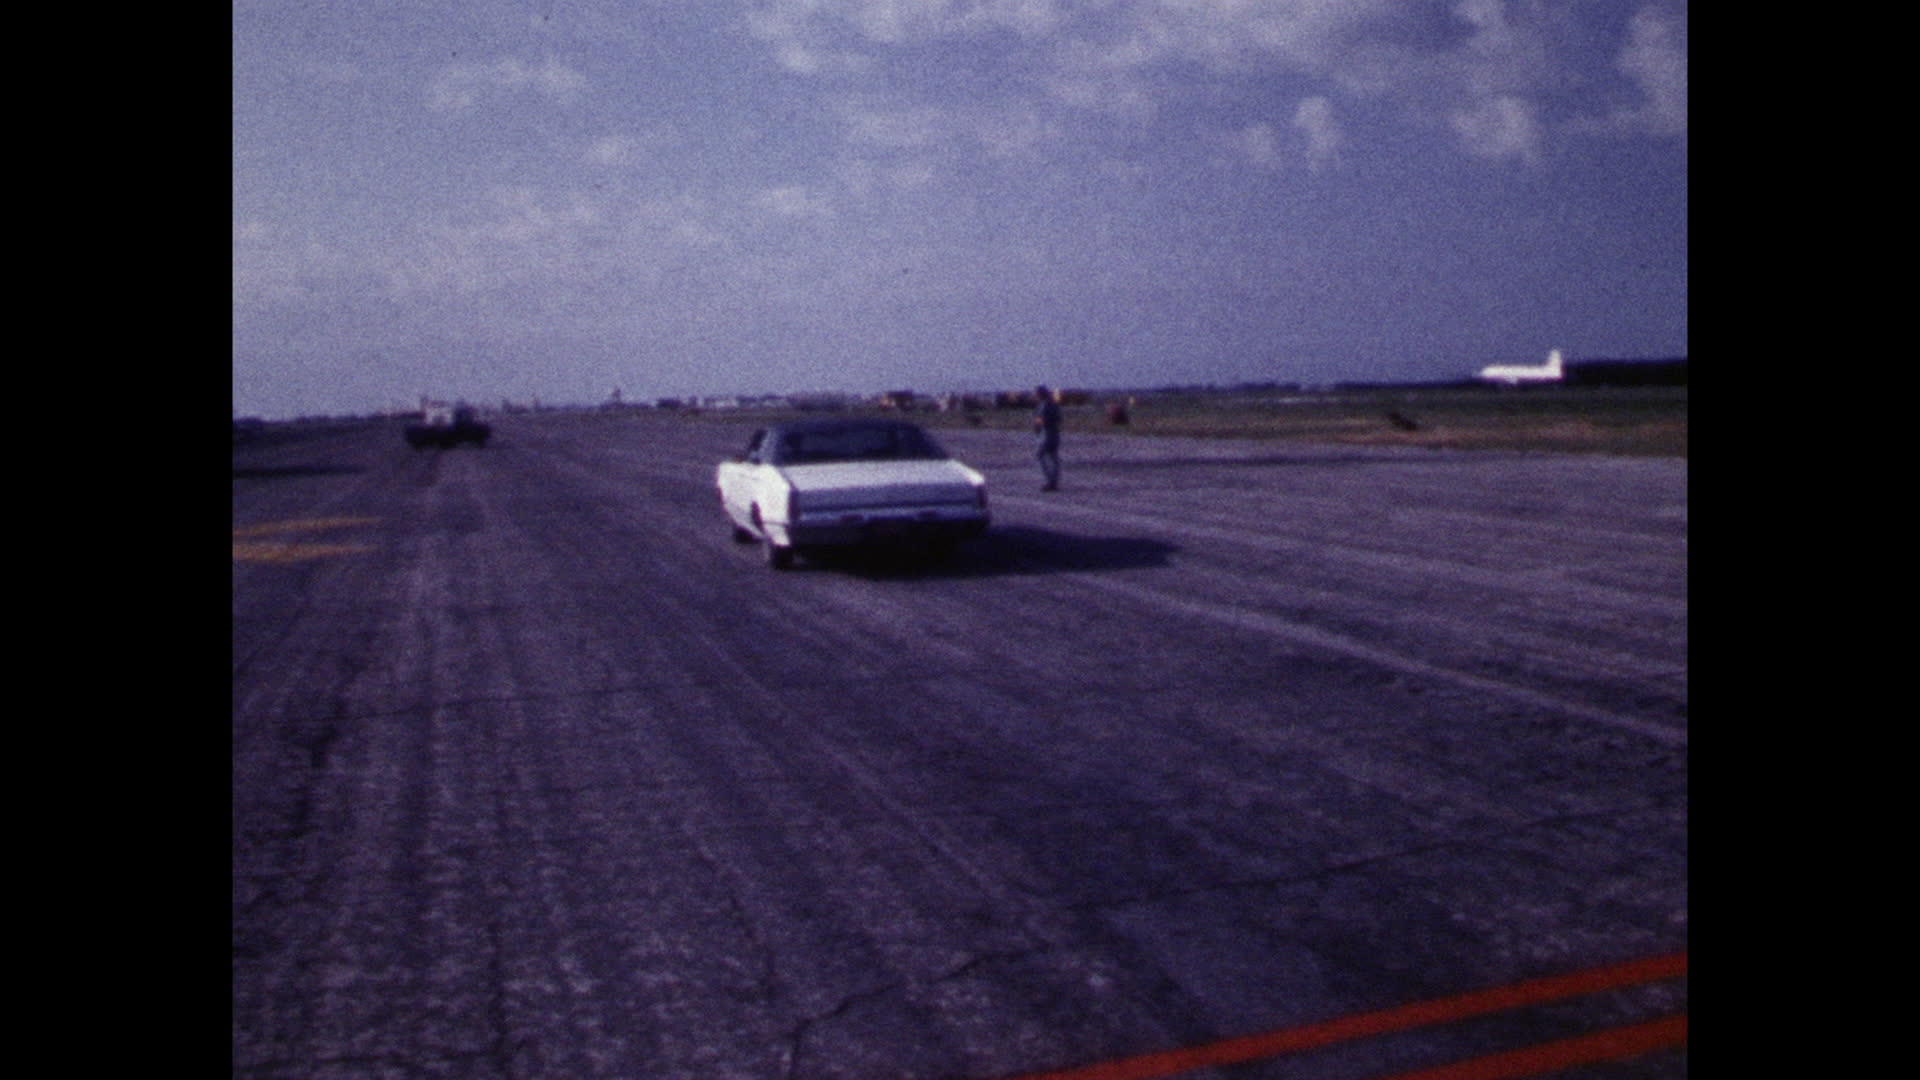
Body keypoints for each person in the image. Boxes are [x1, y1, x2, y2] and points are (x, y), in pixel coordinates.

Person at [1032, 384, 1062, 491]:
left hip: (1049, 434)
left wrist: (1041, 423)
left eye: (1036, 393)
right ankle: (1053, 481)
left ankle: (1051, 481)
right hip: (1048, 434)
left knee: (1042, 456)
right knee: (1052, 458)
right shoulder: (1045, 404)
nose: (1035, 395)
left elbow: (1051, 418)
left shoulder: (1047, 405)